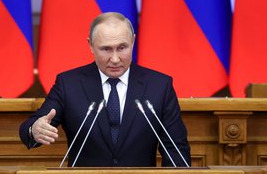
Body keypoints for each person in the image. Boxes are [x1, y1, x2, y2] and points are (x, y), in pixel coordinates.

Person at [19, 12, 191, 167]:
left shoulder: (159, 85)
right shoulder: (69, 84)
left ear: (133, 41)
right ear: (91, 45)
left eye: (122, 48)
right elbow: (31, 127)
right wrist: (34, 129)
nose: (115, 59)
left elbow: (175, 149)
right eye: (106, 49)